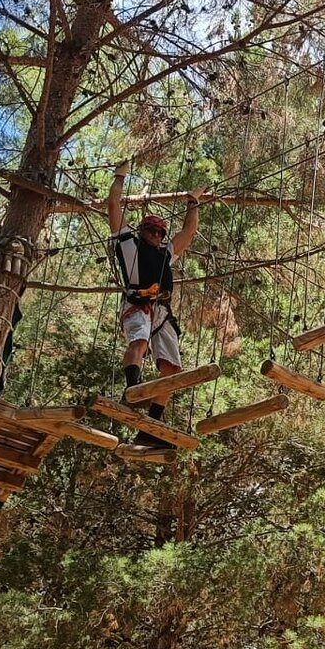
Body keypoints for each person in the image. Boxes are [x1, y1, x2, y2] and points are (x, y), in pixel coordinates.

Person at [107, 166, 201, 450]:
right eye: (152, 230)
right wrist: (120, 177)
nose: (157, 236)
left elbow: (189, 231)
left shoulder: (165, 255)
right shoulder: (127, 244)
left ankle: (152, 426)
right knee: (139, 340)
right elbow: (113, 204)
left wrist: (193, 202)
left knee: (172, 368)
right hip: (137, 304)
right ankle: (132, 388)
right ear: (142, 230)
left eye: (160, 232)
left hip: (161, 312)